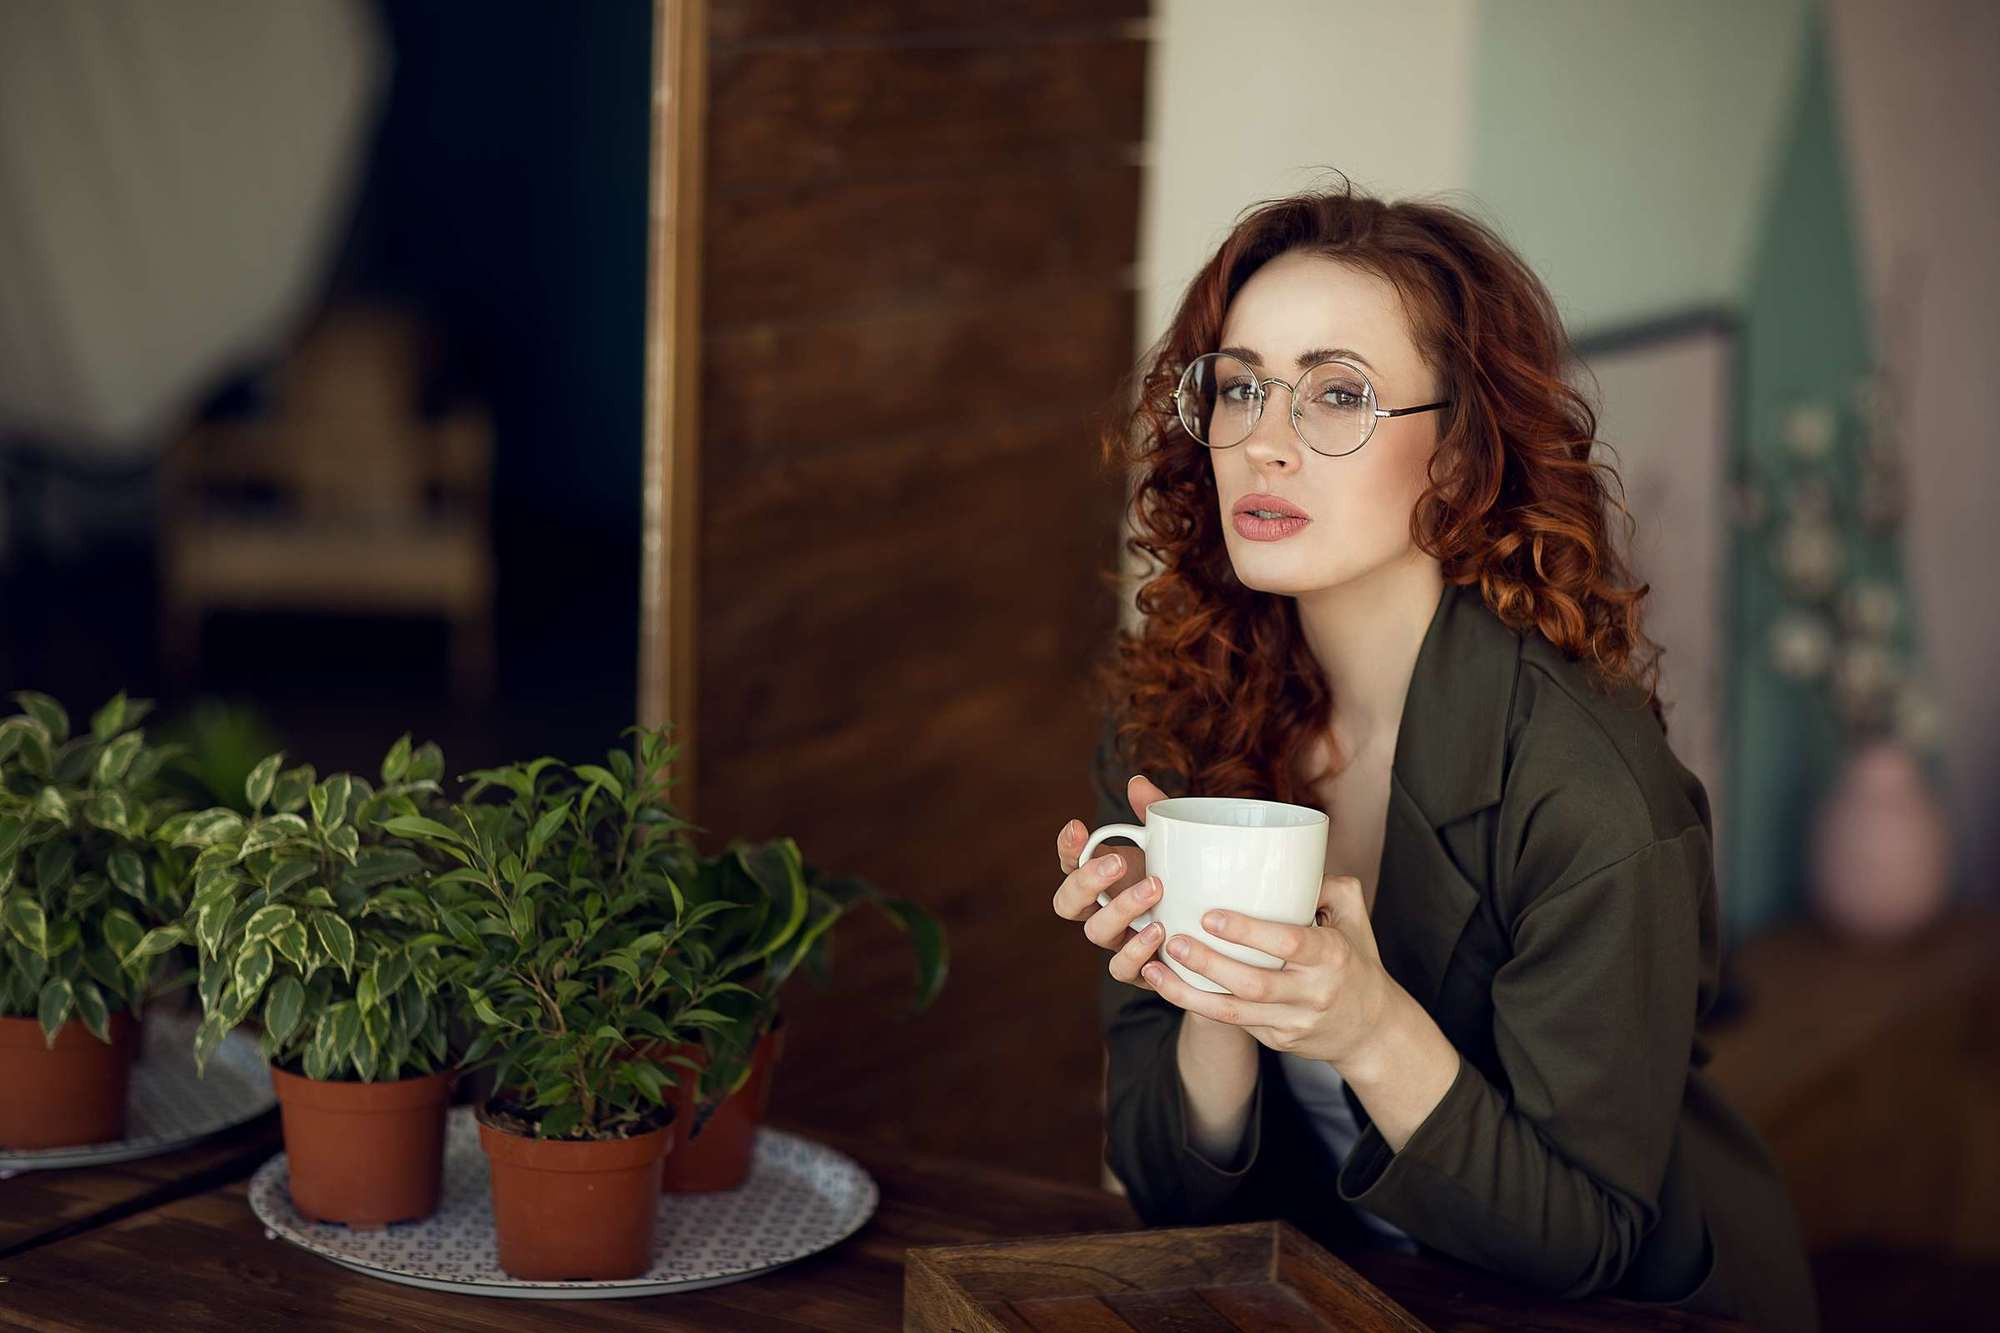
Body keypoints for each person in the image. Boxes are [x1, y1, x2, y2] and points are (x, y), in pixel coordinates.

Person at [1051, 179, 1818, 1333]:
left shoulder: (1590, 791)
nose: (1262, 439)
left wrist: (1365, 1028)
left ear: (1458, 458)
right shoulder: (1175, 727)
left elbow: (1583, 1240)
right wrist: (1207, 983)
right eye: (1242, 385)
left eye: (1336, 395)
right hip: (1342, 1295)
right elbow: (1170, 1195)